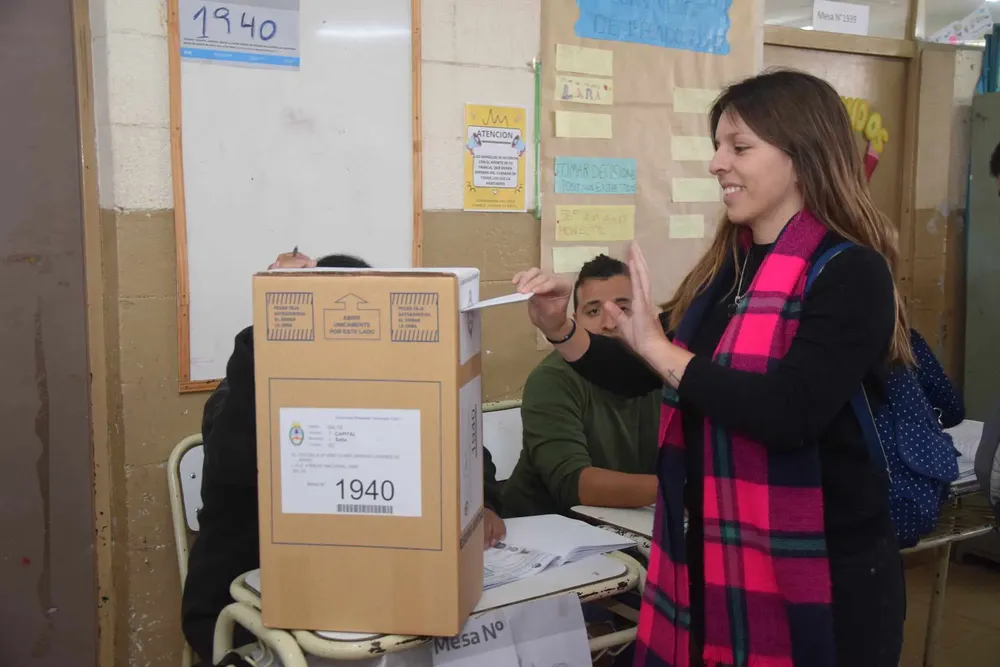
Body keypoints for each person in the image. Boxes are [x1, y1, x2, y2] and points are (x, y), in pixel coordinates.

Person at [514, 69, 908, 667]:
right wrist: (560, 329)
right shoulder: (728, 269)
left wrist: (657, 346)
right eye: (716, 145)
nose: (717, 163)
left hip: (823, 570)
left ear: (802, 157)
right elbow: (640, 375)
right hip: (718, 557)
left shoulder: (852, 273)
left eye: (739, 147)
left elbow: (788, 411)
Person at [182, 251, 507, 666]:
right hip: (249, 600)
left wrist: (485, 505)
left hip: (377, 594)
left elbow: (470, 450)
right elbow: (236, 464)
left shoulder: (397, 386)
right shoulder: (243, 393)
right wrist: (268, 328)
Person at [501, 254, 659, 517]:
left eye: (623, 308)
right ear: (575, 318)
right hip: (548, 530)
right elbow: (572, 483)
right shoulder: (552, 378)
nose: (610, 323)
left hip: (634, 520)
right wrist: (682, 489)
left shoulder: (661, 368)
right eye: (594, 311)